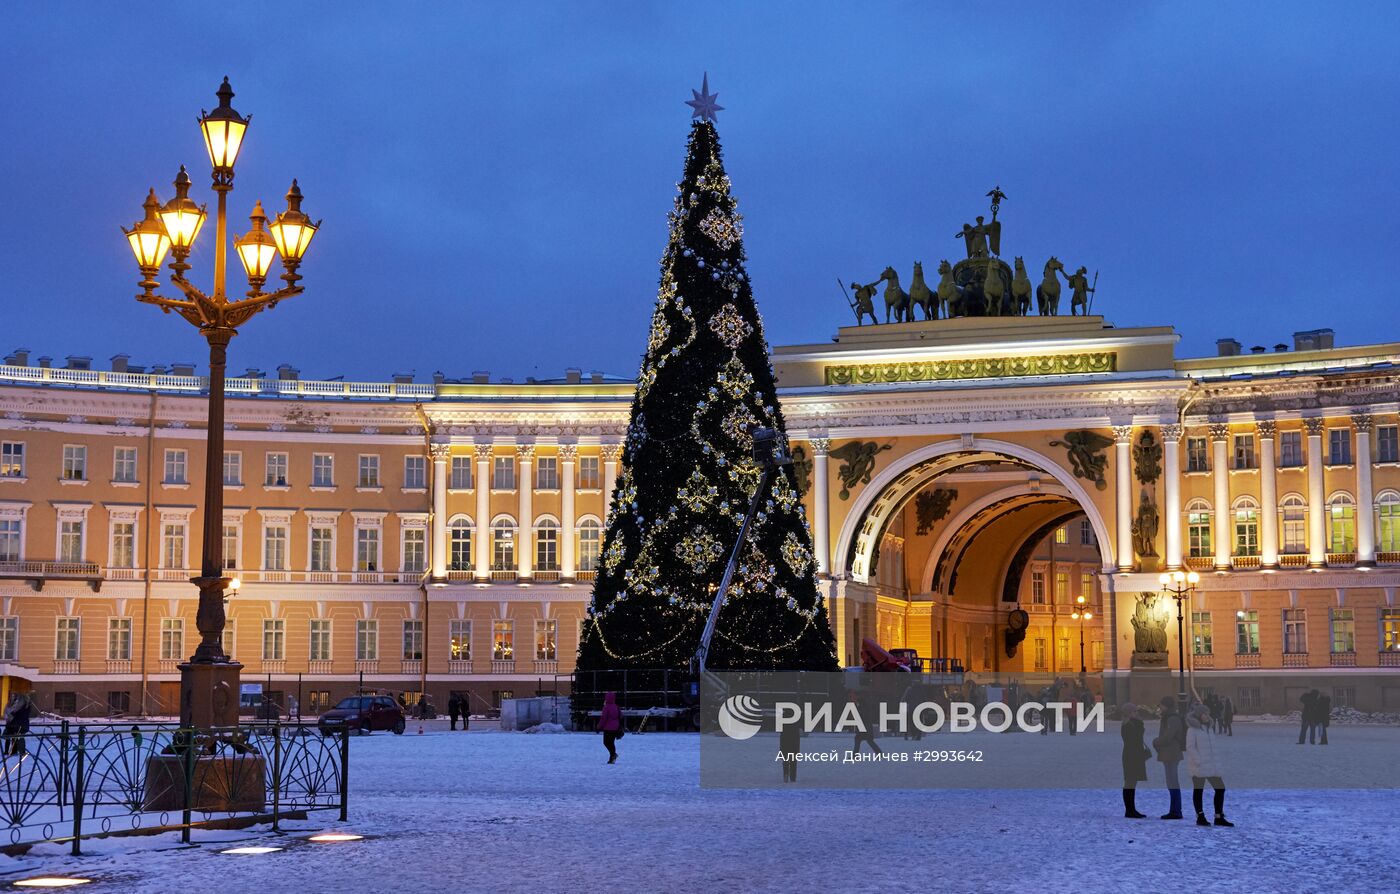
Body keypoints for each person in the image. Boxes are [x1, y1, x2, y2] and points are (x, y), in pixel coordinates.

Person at [1185, 704, 1233, 826]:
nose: (1207, 716)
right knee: (1198, 791)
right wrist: (1198, 761)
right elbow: (1190, 747)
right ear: (1199, 715)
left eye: (1208, 713)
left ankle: (1218, 816)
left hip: (1212, 765)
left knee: (1220, 788)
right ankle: (1200, 816)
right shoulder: (1192, 729)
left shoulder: (1209, 728)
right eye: (1204, 714)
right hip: (1199, 765)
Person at [1151, 696, 1186, 819]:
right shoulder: (1169, 717)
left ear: (1166, 706)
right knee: (1171, 782)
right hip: (1169, 752)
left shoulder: (1172, 719)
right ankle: (1174, 809)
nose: (1159, 708)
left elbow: (1168, 737)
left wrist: (1156, 741)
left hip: (1171, 752)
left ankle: (1176, 810)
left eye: (1161, 705)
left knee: (1173, 782)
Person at [1119, 703, 1150, 819]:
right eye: (1134, 711)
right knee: (1130, 782)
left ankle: (1131, 809)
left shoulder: (1133, 724)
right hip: (1132, 756)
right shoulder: (1129, 725)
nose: (1137, 713)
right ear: (1129, 713)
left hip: (1133, 755)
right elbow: (1134, 740)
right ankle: (1129, 810)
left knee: (1132, 782)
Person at [598, 691, 622, 764]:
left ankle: (613, 755)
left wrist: (599, 726)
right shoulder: (616, 706)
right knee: (611, 742)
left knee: (606, 742)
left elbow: (603, 718)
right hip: (616, 727)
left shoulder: (606, 707)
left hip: (608, 728)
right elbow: (621, 716)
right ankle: (612, 757)